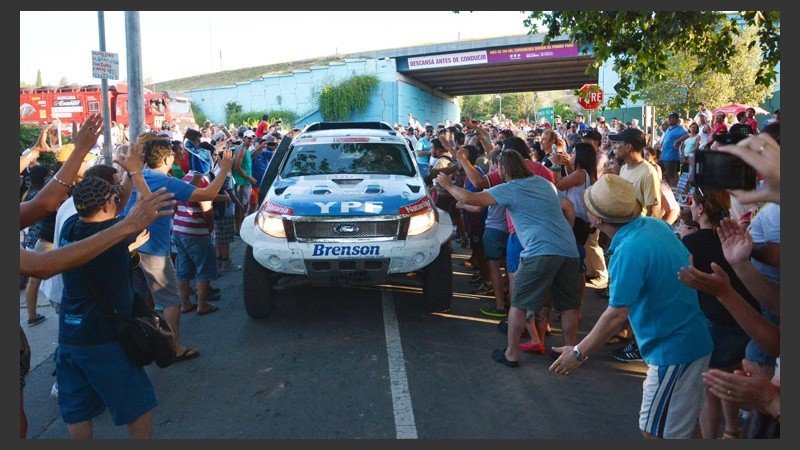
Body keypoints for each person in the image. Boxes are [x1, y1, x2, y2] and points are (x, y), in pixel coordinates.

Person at [549, 174, 713, 439]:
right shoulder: (653, 225)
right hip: (688, 343)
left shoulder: (629, 251)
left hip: (674, 352)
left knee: (654, 432)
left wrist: (578, 353)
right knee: (678, 428)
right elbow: (687, 260)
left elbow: (616, 315)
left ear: (598, 218)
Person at [437, 149, 580, 369]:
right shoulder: (544, 184)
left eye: (498, 168)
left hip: (539, 251)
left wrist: (447, 184)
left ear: (503, 169)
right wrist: (565, 234)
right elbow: (568, 207)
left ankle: (511, 354)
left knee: (519, 303)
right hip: (569, 250)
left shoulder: (510, 188)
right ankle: (569, 351)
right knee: (569, 305)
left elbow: (470, 197)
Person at [55, 176, 159, 439]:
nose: (117, 200)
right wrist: (134, 171)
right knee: (138, 407)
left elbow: (109, 229)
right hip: (106, 338)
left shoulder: (70, 227)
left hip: (69, 337)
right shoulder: (117, 234)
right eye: (114, 198)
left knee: (78, 411)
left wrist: (124, 176)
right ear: (106, 205)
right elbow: (150, 210)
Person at [120, 138, 234, 363]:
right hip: (152, 249)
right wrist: (224, 169)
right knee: (171, 301)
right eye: (174, 153)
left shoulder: (138, 176)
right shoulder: (165, 181)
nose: (177, 156)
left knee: (141, 299)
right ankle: (174, 348)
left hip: (129, 245)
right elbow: (208, 195)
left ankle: (141, 343)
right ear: (165, 159)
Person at [681, 187, 760, 439]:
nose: (691, 206)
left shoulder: (690, 243)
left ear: (701, 209)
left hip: (716, 322)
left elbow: (683, 281)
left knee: (711, 391)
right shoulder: (734, 237)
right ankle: (731, 431)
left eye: (693, 203)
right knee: (730, 378)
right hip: (745, 320)